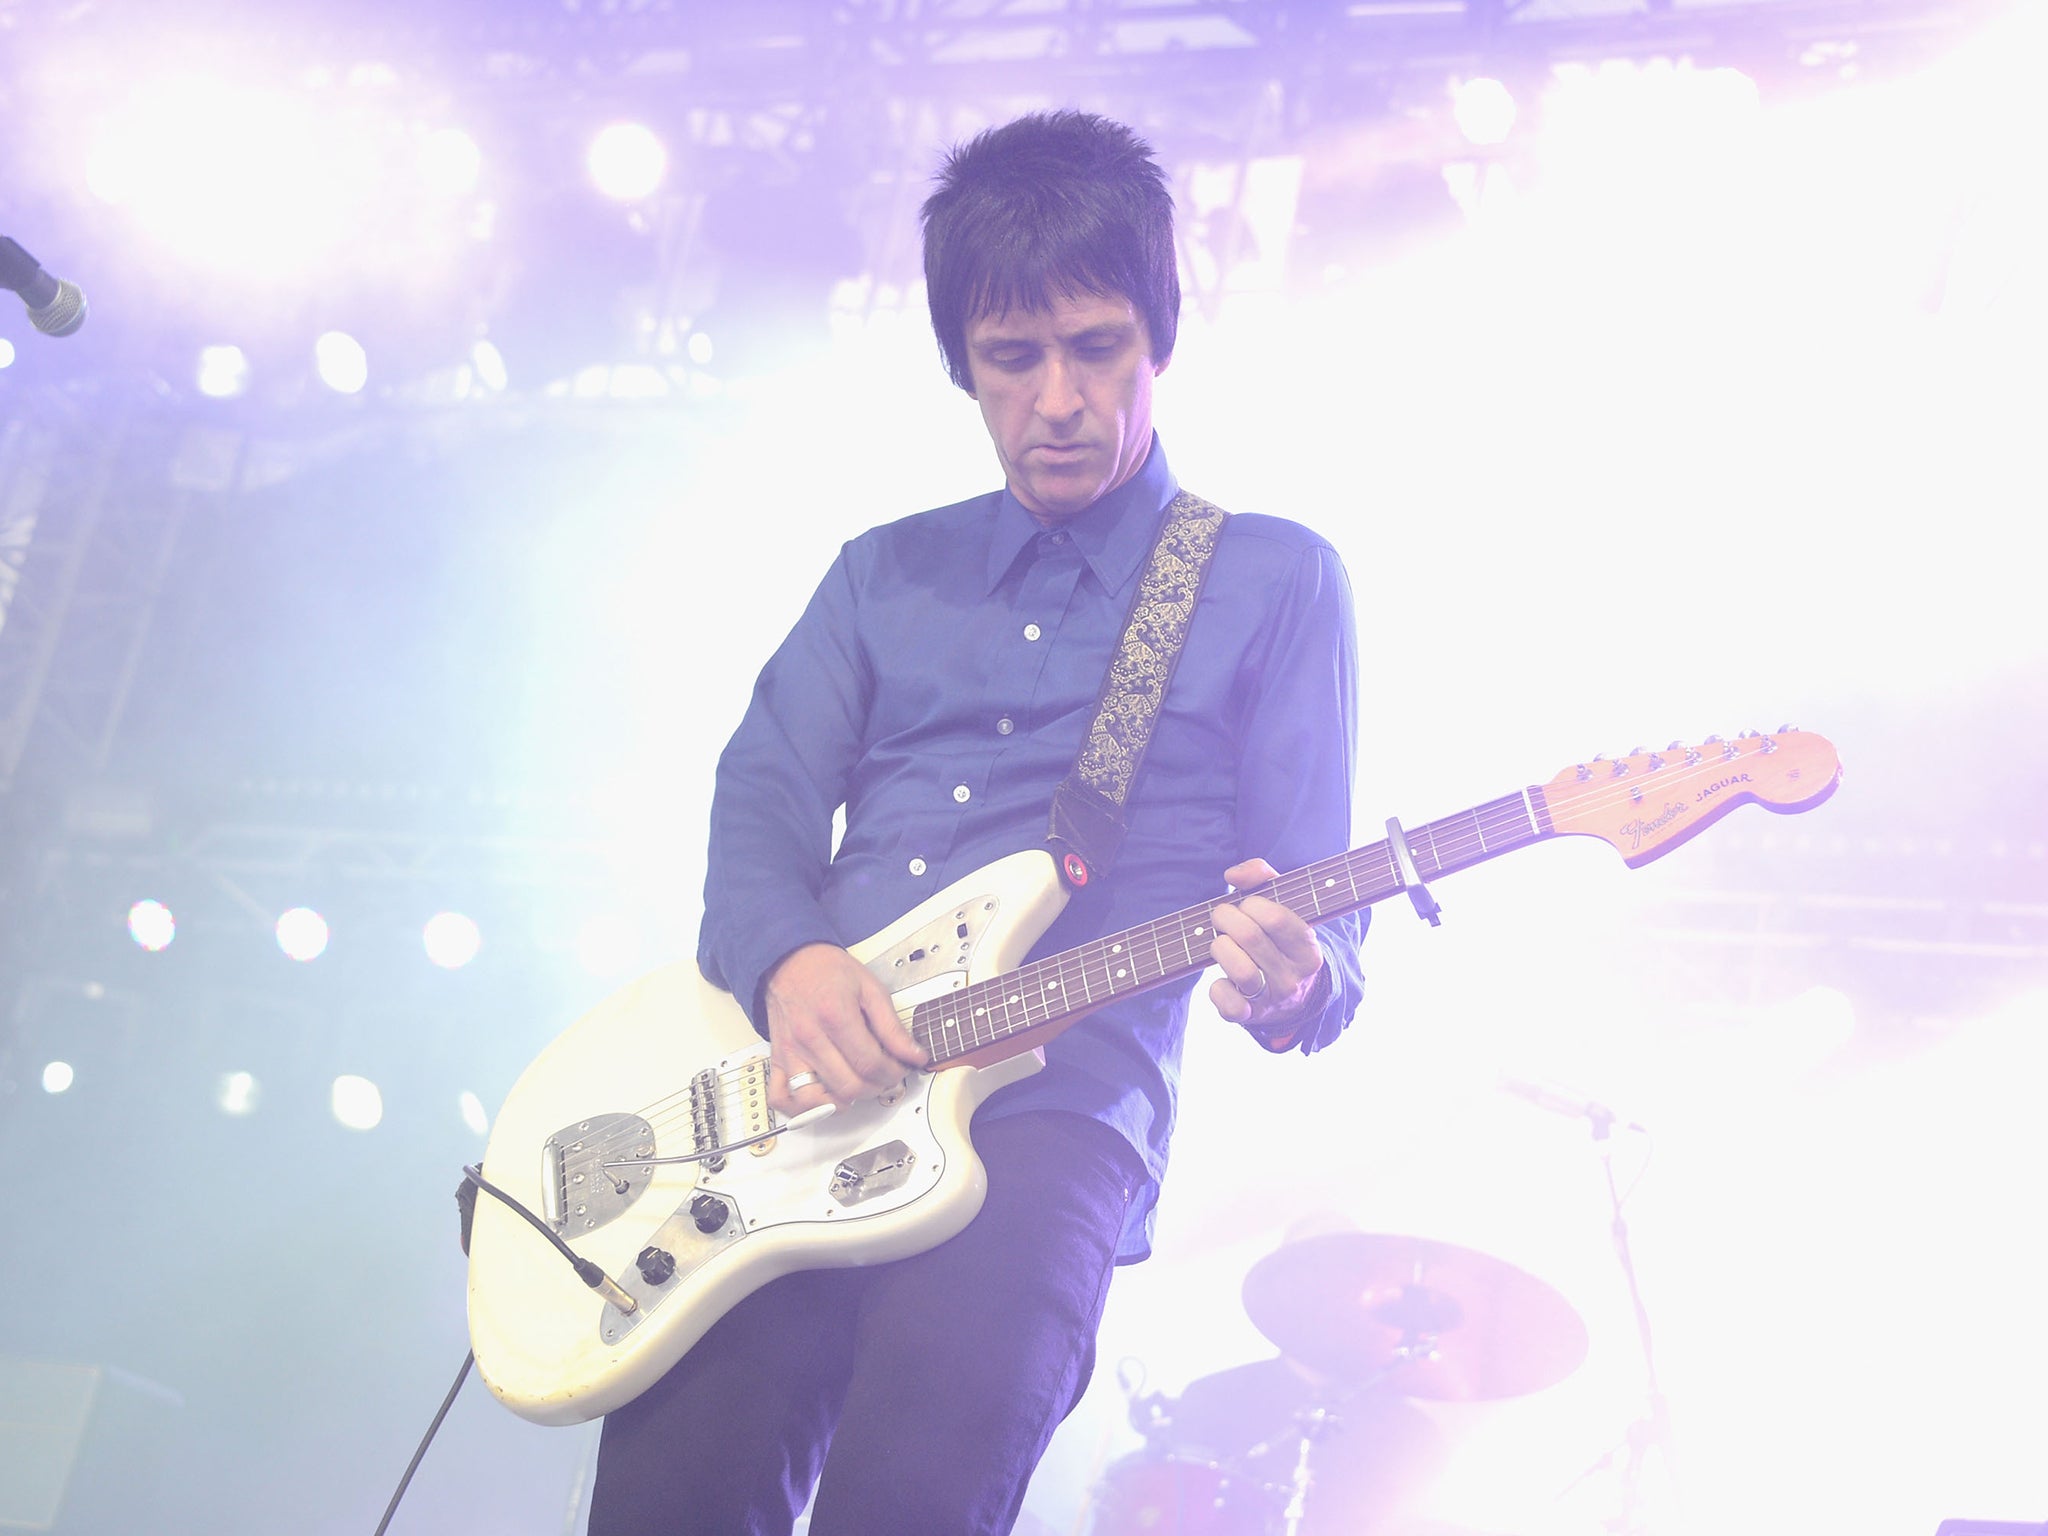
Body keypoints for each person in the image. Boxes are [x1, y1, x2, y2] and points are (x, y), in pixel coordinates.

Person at [585, 108, 1368, 1536]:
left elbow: (1322, 911)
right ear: (962, 364)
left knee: (917, 1498)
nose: (1058, 398)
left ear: (1161, 340)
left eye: (1097, 348)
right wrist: (793, 964)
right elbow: (760, 795)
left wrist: (1298, 975)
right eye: (1013, 359)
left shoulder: (1271, 581)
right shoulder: (883, 575)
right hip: (802, 1106)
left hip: (1053, 1124)